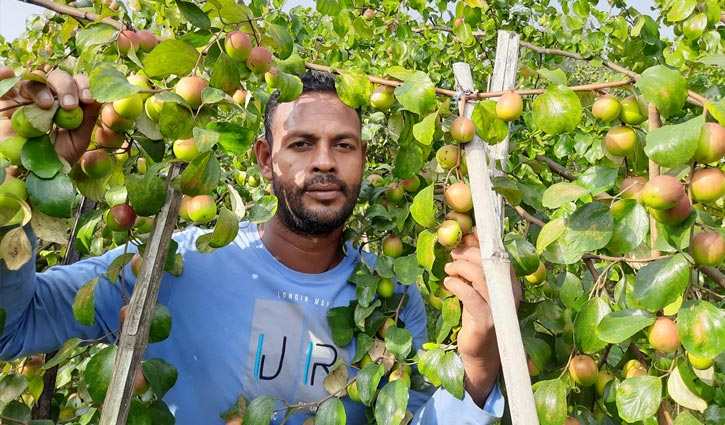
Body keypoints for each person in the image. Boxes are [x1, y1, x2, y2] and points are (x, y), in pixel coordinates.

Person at [0, 69, 515, 424]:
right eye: (300, 144)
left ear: (363, 161)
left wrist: (478, 367)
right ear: (266, 160)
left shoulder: (393, 298)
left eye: (343, 145)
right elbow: (13, 329)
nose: (324, 162)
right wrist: (14, 180)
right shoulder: (172, 263)